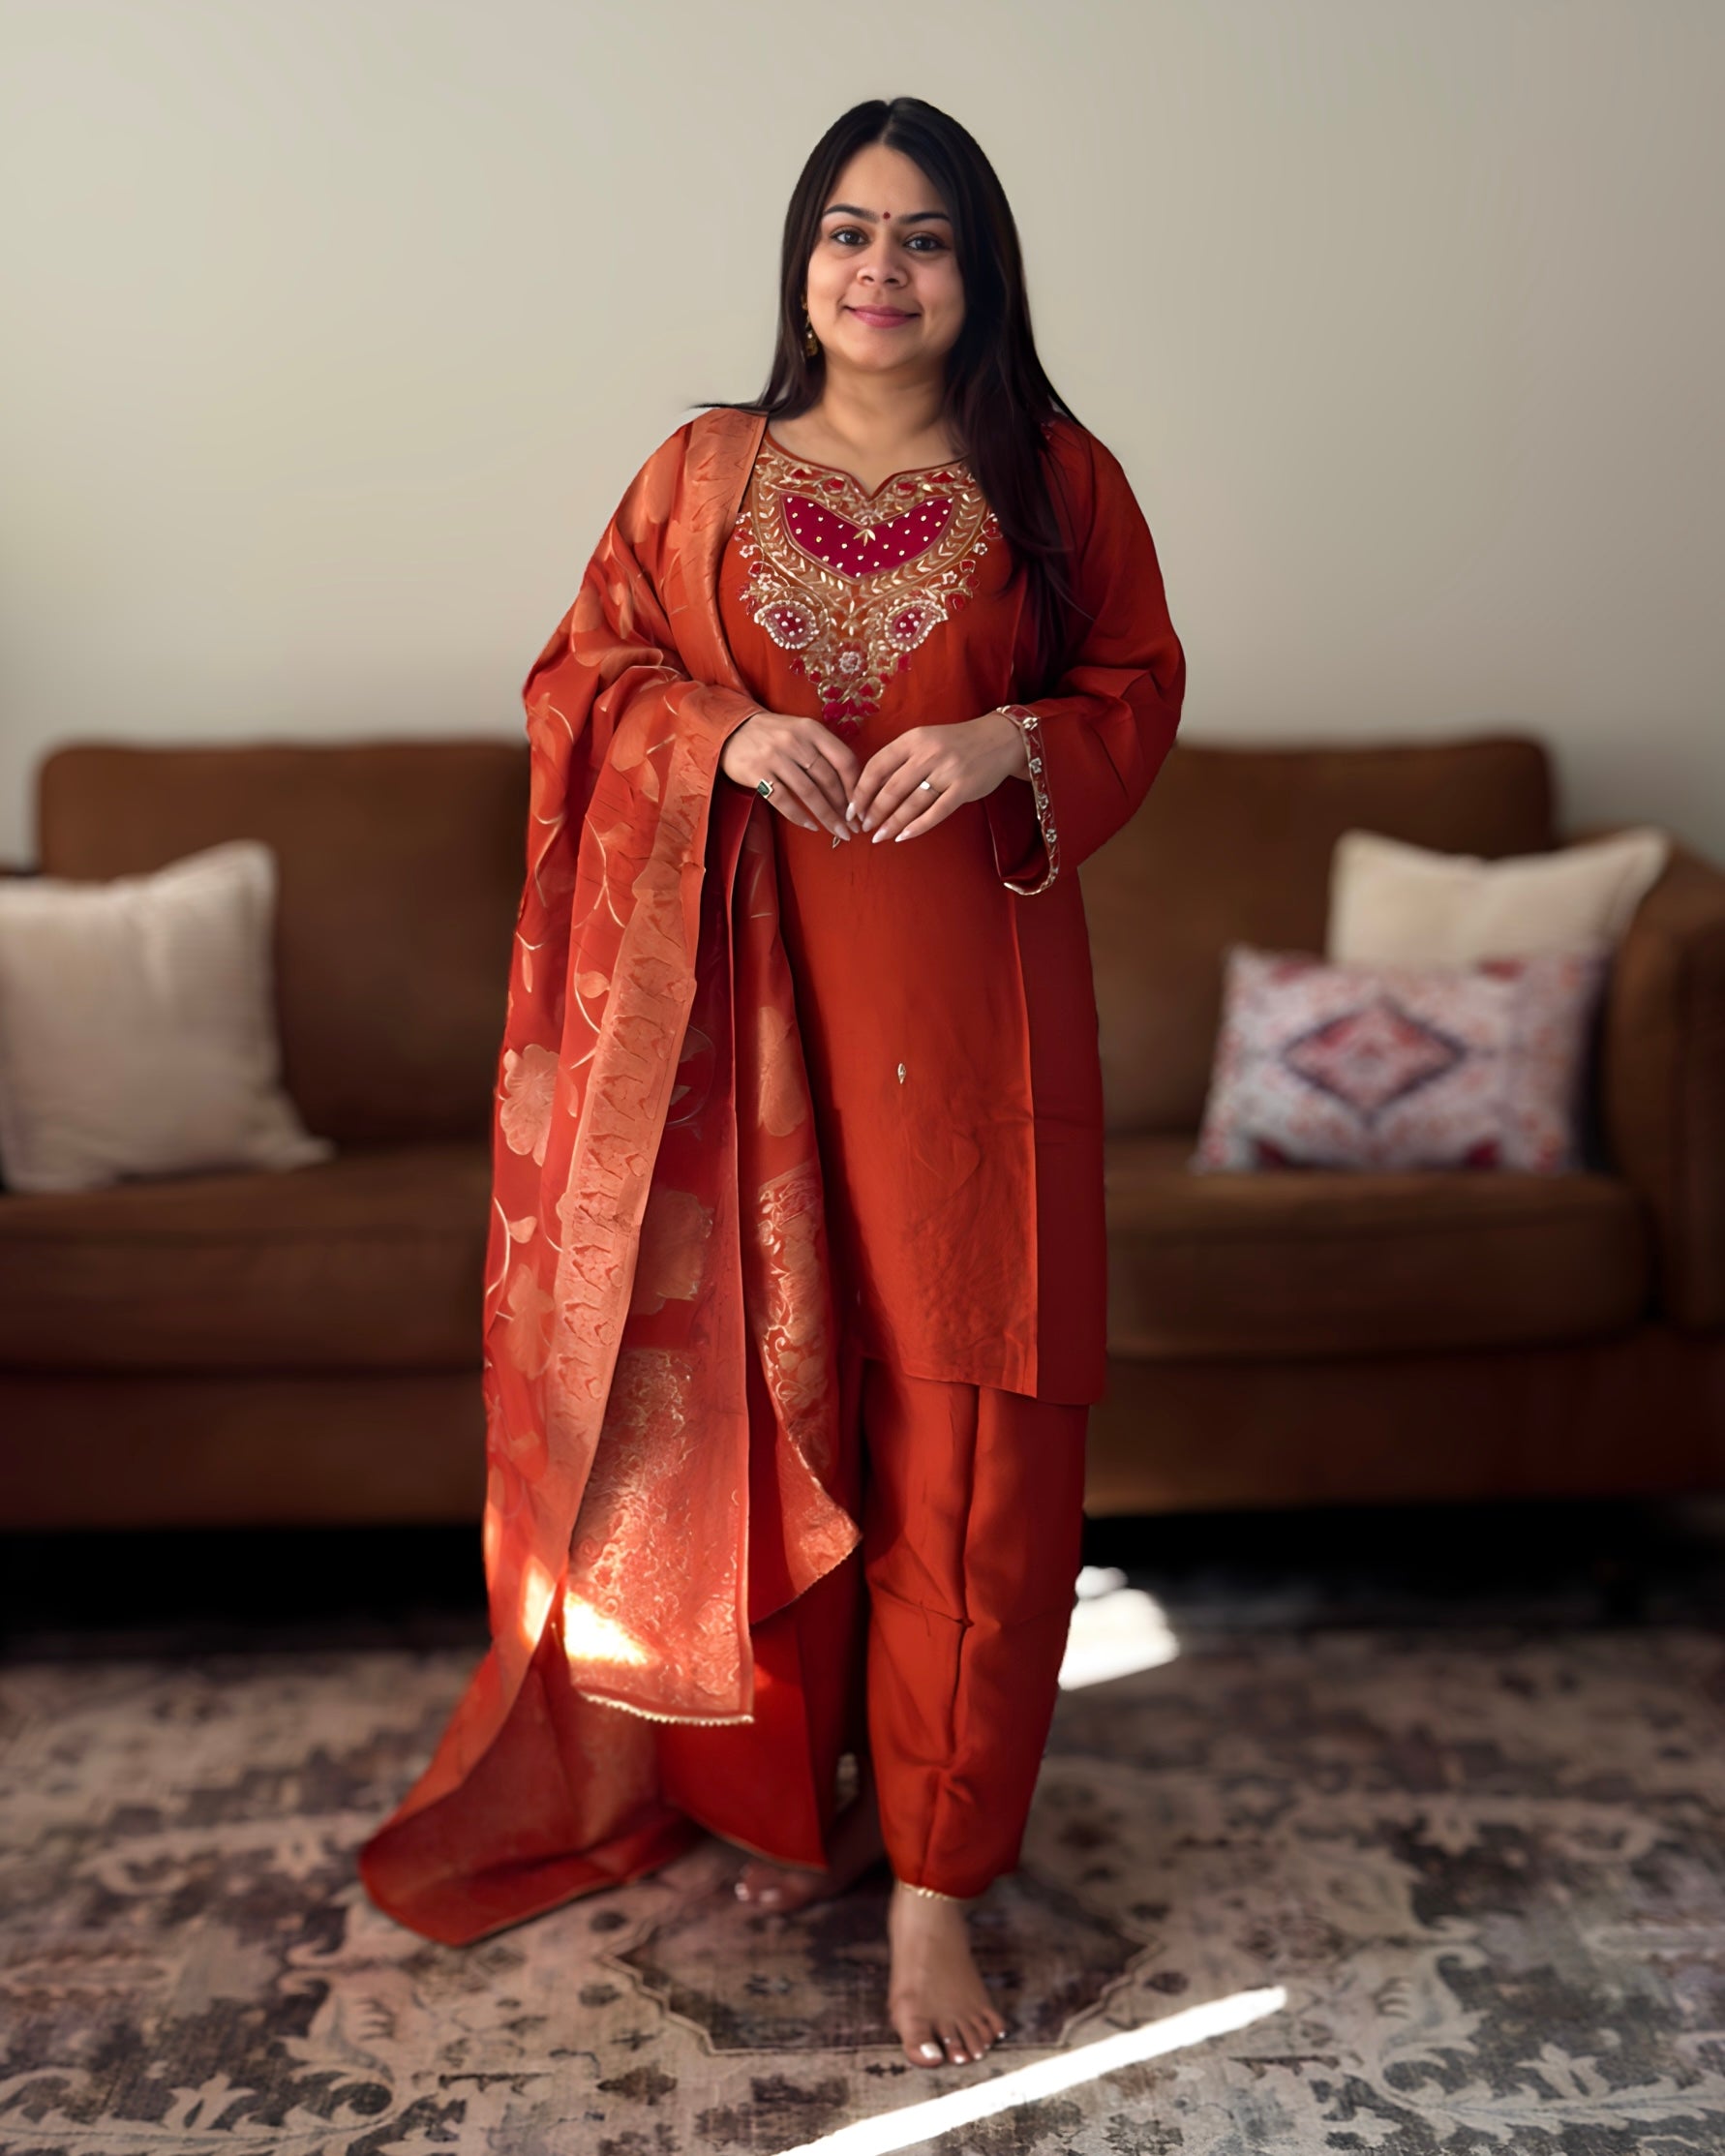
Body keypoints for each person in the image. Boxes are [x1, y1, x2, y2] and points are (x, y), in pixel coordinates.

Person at [357, 94, 1186, 2075]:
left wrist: (1009, 749)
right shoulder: (698, 471)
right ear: (801, 260)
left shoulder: (1057, 482)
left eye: (922, 240)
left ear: (978, 275)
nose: (878, 273)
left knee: (974, 1455)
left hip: (971, 1038)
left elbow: (1133, 688)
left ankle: (937, 1885)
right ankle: (796, 1800)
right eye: (845, 232)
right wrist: (716, 731)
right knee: (756, 1410)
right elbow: (580, 684)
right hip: (737, 1040)